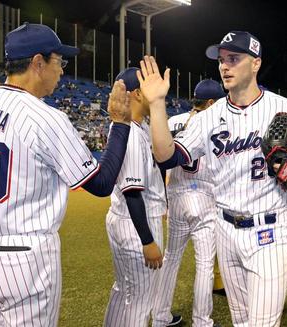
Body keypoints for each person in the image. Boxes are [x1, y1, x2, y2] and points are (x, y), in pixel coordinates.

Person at [137, 30, 287, 326]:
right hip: (225, 229)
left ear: (256, 63)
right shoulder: (208, 118)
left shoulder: (286, 108)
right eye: (222, 60)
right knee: (240, 321)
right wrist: (157, 104)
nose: (225, 66)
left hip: (270, 229)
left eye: (234, 59)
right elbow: (166, 155)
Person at [0, 22, 131, 326]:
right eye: (58, 61)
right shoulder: (45, 116)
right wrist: (120, 124)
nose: (62, 71)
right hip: (24, 256)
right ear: (37, 62)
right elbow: (100, 183)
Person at [103, 68, 179, 327]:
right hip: (137, 222)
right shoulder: (132, 133)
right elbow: (133, 192)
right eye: (149, 90)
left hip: (122, 219)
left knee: (124, 290)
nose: (156, 97)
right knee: (140, 299)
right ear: (137, 94)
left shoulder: (136, 126)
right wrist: (147, 240)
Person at [152, 79, 225, 327]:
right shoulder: (217, 123)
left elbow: (160, 160)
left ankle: (160, 316)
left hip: (176, 195)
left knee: (171, 259)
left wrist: (163, 198)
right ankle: (202, 321)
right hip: (205, 195)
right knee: (204, 264)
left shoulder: (173, 121)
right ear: (212, 102)